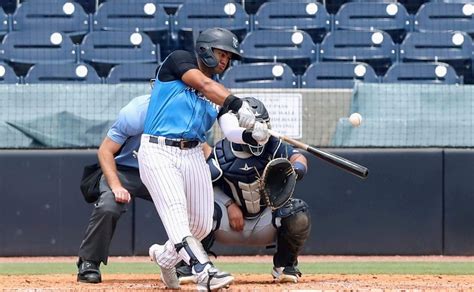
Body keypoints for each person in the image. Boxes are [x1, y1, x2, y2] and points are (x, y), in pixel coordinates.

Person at [138, 27, 268, 291]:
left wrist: (254, 134)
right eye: (222, 53)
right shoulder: (178, 61)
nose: (225, 60)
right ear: (205, 49)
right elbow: (204, 85)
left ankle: (164, 258)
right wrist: (237, 103)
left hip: (194, 154)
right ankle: (204, 271)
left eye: (229, 57)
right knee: (176, 213)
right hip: (159, 150)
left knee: (202, 224)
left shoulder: (219, 94)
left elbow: (231, 130)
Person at [175, 97, 312, 285]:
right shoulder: (221, 151)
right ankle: (189, 265)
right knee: (198, 210)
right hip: (229, 225)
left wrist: (297, 168)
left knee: (297, 211)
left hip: (265, 220)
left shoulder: (274, 145)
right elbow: (205, 186)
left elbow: (298, 156)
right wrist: (229, 205)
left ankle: (285, 265)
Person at [76, 93, 152, 283]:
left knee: (194, 202)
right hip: (125, 171)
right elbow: (105, 150)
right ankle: (89, 262)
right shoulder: (138, 110)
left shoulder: (187, 108)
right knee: (109, 204)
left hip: (163, 172)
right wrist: (116, 185)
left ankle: (187, 262)